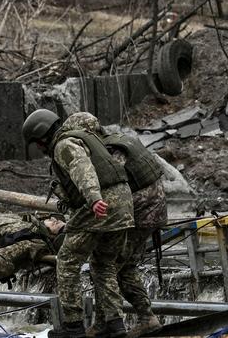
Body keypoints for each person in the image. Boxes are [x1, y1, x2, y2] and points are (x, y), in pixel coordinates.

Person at [22, 109, 135, 338]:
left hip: (101, 205)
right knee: (104, 264)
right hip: (123, 204)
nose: (41, 149)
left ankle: (73, 326)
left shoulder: (64, 144)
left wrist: (93, 198)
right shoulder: (84, 137)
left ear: (43, 137)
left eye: (37, 143)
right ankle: (115, 324)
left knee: (67, 261)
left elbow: (83, 169)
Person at [65, 113, 166, 338]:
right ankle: (127, 320)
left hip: (139, 212)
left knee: (107, 264)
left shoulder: (110, 150)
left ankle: (126, 321)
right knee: (121, 265)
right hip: (151, 209)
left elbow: (112, 182)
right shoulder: (120, 139)